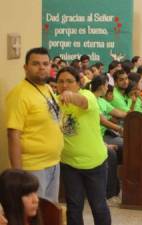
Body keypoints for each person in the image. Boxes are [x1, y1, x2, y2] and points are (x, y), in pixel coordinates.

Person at [6, 47, 63, 203]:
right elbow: (13, 135)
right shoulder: (19, 94)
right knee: (34, 215)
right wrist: (19, 175)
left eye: (45, 63)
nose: (42, 67)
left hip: (53, 163)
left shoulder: (47, 88)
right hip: (33, 167)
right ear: (25, 67)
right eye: (36, 64)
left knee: (49, 212)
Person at [56, 66, 111, 225]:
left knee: (98, 205)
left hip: (94, 163)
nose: (64, 85)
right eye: (60, 82)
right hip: (69, 163)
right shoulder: (56, 100)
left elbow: (83, 102)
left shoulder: (88, 95)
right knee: (74, 206)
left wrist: (70, 96)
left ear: (79, 83)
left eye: (69, 81)